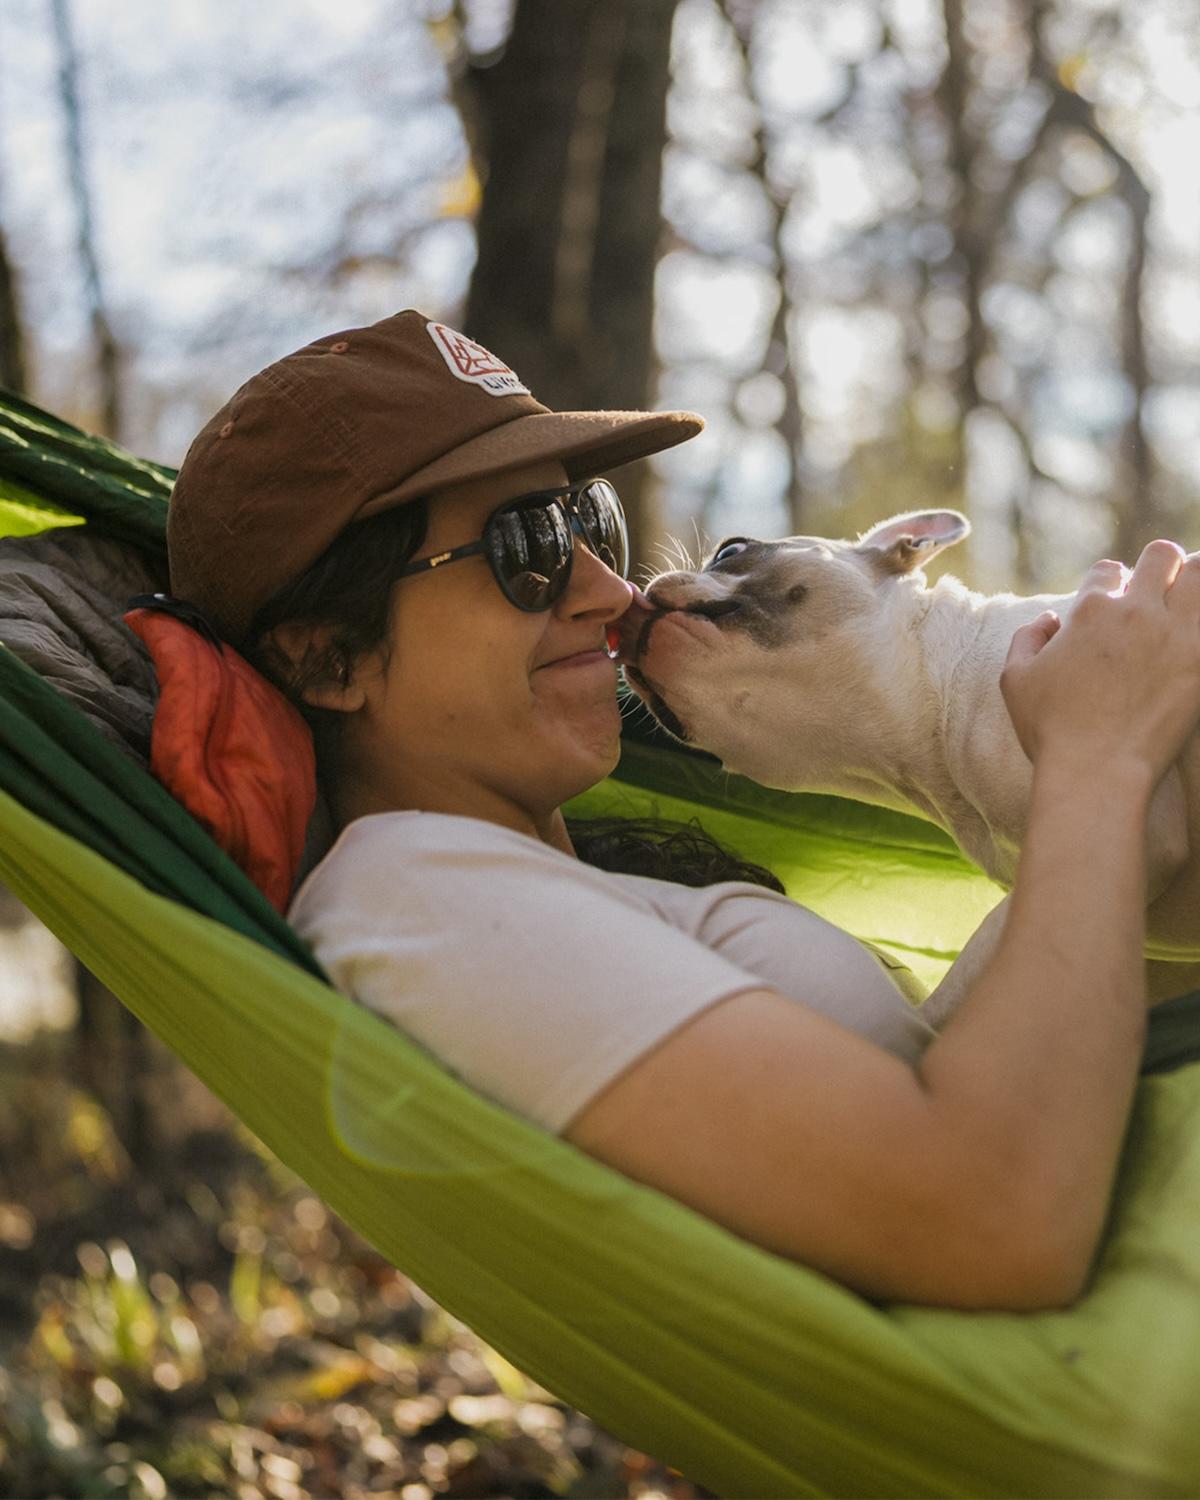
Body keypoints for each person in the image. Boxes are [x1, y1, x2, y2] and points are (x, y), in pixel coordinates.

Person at [165, 309, 1200, 1313]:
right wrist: (1105, 752)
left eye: (591, 522)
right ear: (328, 658)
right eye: (525, 547)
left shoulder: (559, 894)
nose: (612, 590)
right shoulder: (414, 895)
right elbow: (993, 1219)